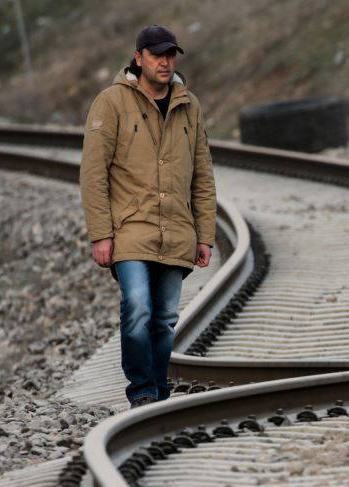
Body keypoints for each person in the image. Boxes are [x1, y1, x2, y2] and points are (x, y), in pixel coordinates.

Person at [79, 24, 216, 408]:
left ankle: (158, 391)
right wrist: (100, 235)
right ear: (138, 58)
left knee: (166, 318)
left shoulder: (190, 105)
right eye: (157, 55)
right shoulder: (111, 103)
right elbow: (93, 174)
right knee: (138, 307)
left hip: (176, 231)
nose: (165, 62)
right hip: (129, 231)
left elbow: (202, 175)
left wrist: (204, 235)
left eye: (170, 55)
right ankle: (141, 390)